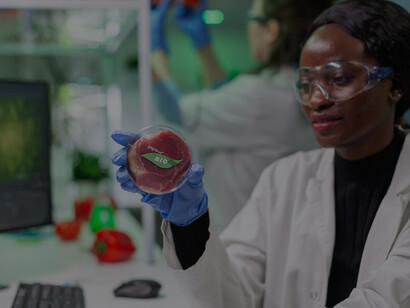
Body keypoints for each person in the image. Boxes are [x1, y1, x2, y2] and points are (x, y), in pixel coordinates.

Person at [112, 0, 410, 307]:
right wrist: (190, 226)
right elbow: (230, 295)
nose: (316, 101)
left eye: (340, 79)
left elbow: (383, 300)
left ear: (394, 85)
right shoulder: (283, 179)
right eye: (306, 84)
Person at [148, 0, 332, 231]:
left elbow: (174, 108)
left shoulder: (258, 95)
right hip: (274, 233)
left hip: (237, 240)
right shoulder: (301, 88)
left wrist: (153, 47)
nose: (249, 28)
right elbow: (226, 102)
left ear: (272, 31)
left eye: (252, 19)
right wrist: (201, 43)